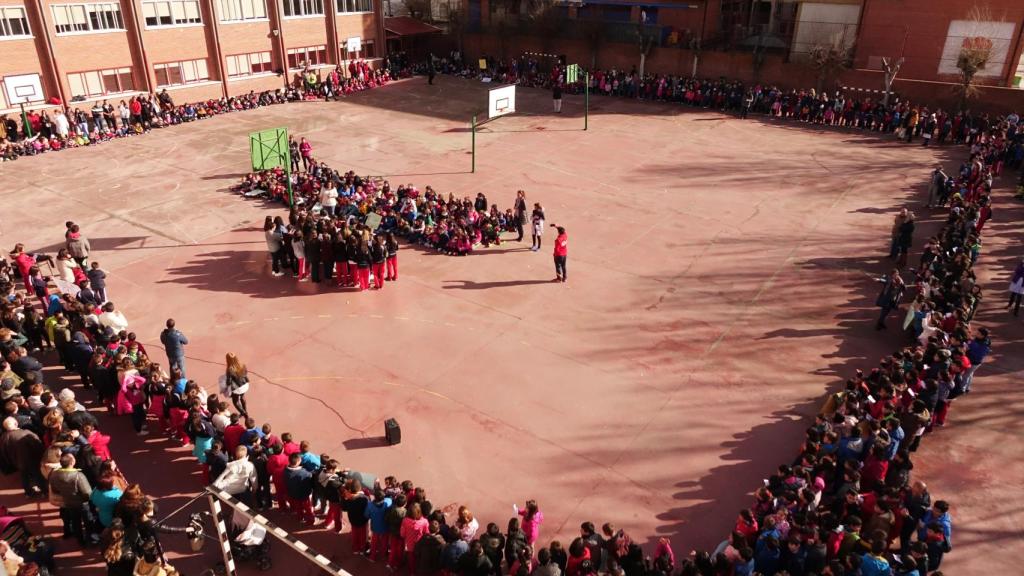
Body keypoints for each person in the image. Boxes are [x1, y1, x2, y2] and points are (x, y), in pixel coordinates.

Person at [48, 452, 92, 544]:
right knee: (88, 522)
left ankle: (80, 540)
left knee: (75, 522)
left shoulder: (54, 475)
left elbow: (55, 489)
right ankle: (91, 539)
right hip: (82, 503)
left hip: (68, 502)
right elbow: (87, 493)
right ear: (72, 462)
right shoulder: (78, 476)